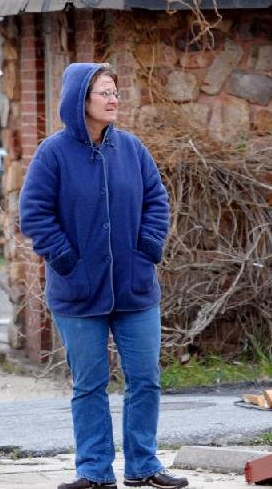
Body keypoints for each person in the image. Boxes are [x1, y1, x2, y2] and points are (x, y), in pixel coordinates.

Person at [20, 62, 187, 489]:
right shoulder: (52, 154)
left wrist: (148, 247)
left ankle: (144, 465)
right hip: (78, 292)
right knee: (90, 384)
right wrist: (65, 259)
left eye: (115, 92)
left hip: (136, 288)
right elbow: (34, 214)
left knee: (145, 379)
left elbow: (156, 200)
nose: (113, 100)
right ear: (81, 100)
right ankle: (94, 471)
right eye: (104, 93)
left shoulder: (132, 149)